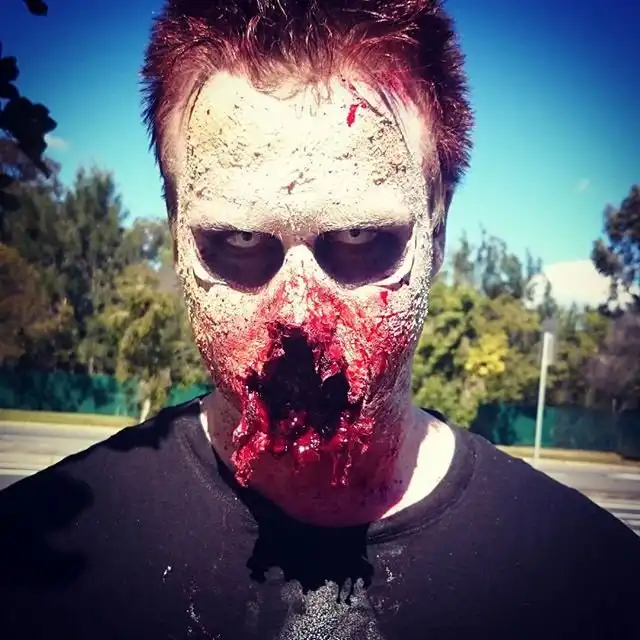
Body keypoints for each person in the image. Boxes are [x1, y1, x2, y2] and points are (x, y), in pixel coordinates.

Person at [1, 1, 639, 638]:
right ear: (175, 238)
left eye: (360, 237)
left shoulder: (594, 589)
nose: (300, 315)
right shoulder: (30, 568)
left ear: (437, 235)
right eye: (239, 242)